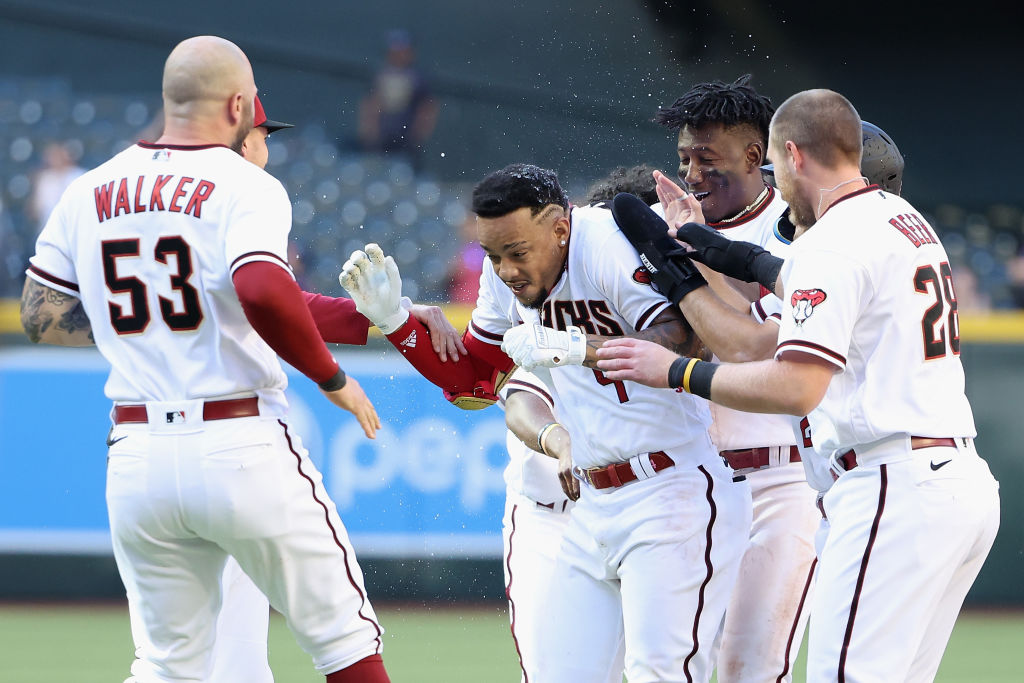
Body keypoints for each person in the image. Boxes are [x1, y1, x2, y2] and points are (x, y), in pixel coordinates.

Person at [20, 36, 392, 683]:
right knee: (344, 639)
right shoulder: (245, 184)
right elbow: (262, 289)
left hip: (137, 454)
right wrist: (331, 378)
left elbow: (38, 314)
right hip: (237, 438)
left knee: (168, 665)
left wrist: (145, 335)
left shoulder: (88, 189)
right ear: (239, 105)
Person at [597, 89, 1000, 682]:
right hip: (951, 480)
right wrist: (722, 251)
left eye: (774, 166)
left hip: (890, 484)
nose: (776, 184)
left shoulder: (833, 241)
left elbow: (796, 387)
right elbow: (807, 280)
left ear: (793, 155)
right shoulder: (900, 219)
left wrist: (677, 371)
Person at [340, 163, 751, 683]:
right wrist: (396, 323)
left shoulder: (604, 244)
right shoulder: (502, 277)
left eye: (517, 252)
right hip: (593, 504)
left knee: (660, 674)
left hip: (672, 490)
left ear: (559, 226)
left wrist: (576, 346)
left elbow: (688, 341)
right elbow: (476, 383)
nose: (506, 270)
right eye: (493, 255)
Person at [652, 75, 819, 682]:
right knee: (671, 665)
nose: (692, 173)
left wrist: (689, 253)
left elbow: (753, 347)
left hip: (777, 476)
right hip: (682, 482)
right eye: (684, 159)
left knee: (751, 666)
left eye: (707, 158)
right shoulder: (662, 220)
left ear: (755, 156)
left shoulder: (798, 225)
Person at [498, 172, 658, 682]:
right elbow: (521, 399)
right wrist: (557, 439)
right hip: (552, 515)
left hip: (638, 512)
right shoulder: (551, 299)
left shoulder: (651, 310)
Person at [357, 29, 438, 167]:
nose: (399, 55)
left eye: (403, 51)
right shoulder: (381, 75)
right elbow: (370, 104)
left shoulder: (418, 78)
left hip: (406, 139)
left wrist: (419, 134)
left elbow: (428, 107)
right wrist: (369, 131)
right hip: (381, 138)